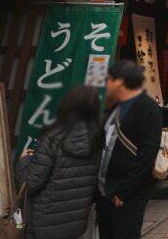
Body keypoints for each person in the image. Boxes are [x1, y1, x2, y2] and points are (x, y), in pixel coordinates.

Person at [16, 85, 103, 239]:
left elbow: (32, 184)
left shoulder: (53, 137)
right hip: (75, 224)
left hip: (43, 223)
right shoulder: (96, 139)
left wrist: (25, 161)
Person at [96, 60, 163, 239]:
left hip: (127, 194)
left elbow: (147, 155)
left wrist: (124, 191)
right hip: (103, 190)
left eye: (109, 79)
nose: (106, 84)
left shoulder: (147, 108)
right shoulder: (113, 107)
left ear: (120, 81)